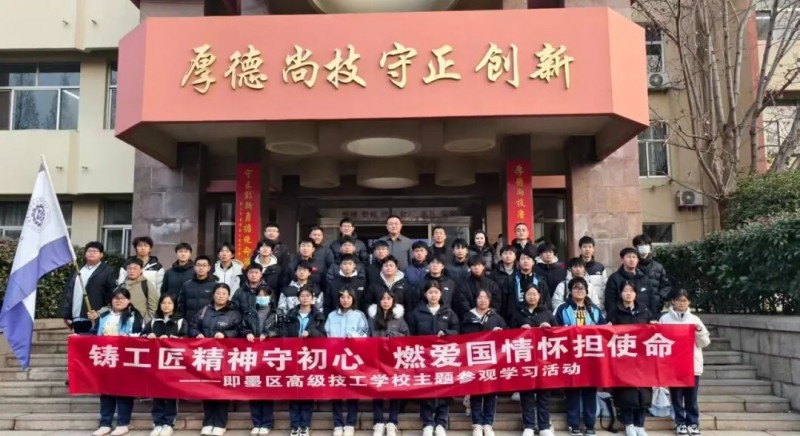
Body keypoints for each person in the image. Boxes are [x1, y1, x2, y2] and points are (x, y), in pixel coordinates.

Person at [554, 277, 606, 436]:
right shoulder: (562, 309)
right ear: (570, 291)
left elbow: (603, 330)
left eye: (582, 288)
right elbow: (555, 330)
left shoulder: (595, 309)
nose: (579, 291)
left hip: (591, 356)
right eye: (575, 288)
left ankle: (590, 424)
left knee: (590, 390)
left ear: (587, 291)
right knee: (572, 390)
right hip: (570, 355)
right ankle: (574, 424)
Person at [190, 283, 242, 436]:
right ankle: (208, 422)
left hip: (225, 357)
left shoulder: (234, 313)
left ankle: (220, 423)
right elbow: (193, 325)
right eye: (218, 293)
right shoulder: (204, 311)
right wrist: (196, 334)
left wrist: (226, 335)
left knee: (221, 389)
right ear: (213, 294)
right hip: (206, 356)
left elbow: (239, 330)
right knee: (207, 388)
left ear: (228, 296)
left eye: (224, 293)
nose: (221, 296)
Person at [89, 288, 143, 436]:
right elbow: (94, 333)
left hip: (125, 358)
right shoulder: (104, 316)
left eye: (122, 298)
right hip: (107, 358)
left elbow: (140, 334)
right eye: (115, 298)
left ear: (128, 301)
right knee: (106, 391)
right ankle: (105, 423)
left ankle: (123, 423)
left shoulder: (134, 316)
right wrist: (78, 336)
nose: (118, 301)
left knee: (124, 391)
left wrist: (127, 337)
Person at [409, 281, 460, 436]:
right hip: (424, 357)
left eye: (436, 292)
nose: (433, 295)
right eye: (430, 292)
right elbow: (410, 335)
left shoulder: (448, 312)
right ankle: (427, 423)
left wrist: (446, 333)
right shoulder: (417, 313)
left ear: (441, 294)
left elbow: (457, 331)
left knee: (444, 389)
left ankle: (441, 422)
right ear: (425, 294)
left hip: (443, 358)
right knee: (425, 389)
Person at [607, 281, 656, 436]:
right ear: (620, 293)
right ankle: (628, 424)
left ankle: (640, 424)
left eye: (631, 291)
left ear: (636, 294)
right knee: (626, 392)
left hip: (643, 359)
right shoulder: (614, 312)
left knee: (643, 391)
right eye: (625, 291)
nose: (628, 294)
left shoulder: (644, 311)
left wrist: (653, 325)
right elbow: (608, 334)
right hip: (623, 358)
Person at [660, 289, 710, 436]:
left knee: (691, 397)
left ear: (689, 302)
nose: (681, 303)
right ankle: (680, 423)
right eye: (678, 300)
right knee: (676, 397)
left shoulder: (695, 320)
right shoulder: (665, 319)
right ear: (673, 301)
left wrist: (699, 332)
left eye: (684, 300)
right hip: (673, 366)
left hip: (692, 365)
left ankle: (693, 423)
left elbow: (705, 343)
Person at [510, 285, 556, 436]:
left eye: (534, 294)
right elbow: (509, 335)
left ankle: (544, 426)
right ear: (524, 296)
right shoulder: (518, 313)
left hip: (543, 359)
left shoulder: (547, 313)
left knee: (544, 394)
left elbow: (558, 334)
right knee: (527, 394)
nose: (532, 297)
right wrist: (519, 330)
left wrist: (549, 328)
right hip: (525, 359)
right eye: (529, 294)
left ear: (539, 296)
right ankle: (529, 425)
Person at [281, 287, 326, 436]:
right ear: (298, 298)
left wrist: (311, 332)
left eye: (308, 295)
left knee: (307, 392)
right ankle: (295, 425)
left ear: (312, 298)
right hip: (293, 357)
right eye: (302, 295)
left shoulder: (318, 316)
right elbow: (284, 334)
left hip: (310, 358)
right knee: (294, 391)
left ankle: (305, 425)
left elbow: (324, 336)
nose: (305, 298)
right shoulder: (290, 315)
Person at [325, 288, 369, 436]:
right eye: (342, 297)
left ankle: (350, 423)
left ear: (353, 299)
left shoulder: (359, 315)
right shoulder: (331, 315)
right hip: (336, 357)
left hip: (352, 358)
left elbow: (365, 332)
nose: (345, 300)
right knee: (336, 390)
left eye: (348, 297)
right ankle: (338, 424)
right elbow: (327, 333)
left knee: (352, 390)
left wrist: (354, 336)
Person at [461, 289, 506, 436]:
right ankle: (477, 424)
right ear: (475, 300)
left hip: (492, 361)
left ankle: (488, 424)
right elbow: (461, 338)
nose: (482, 300)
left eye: (486, 298)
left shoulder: (496, 317)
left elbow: (508, 337)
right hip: (473, 361)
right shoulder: (468, 317)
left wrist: (500, 333)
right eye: (480, 297)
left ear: (490, 300)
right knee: (475, 392)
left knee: (490, 393)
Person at [142, 294, 186, 436]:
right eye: (163, 303)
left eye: (169, 303)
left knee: (171, 393)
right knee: (157, 393)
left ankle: (169, 422)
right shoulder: (154, 321)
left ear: (174, 305)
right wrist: (147, 337)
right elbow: (142, 336)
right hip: (156, 364)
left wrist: (175, 339)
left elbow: (187, 339)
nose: (166, 306)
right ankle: (157, 422)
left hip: (173, 364)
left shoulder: (180, 321)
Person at [368, 290, 409, 436]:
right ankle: (378, 421)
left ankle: (392, 421)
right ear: (379, 301)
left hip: (394, 360)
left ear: (393, 301)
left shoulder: (399, 318)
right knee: (377, 388)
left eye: (389, 299)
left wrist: (393, 335)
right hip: (376, 359)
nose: (386, 301)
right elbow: (367, 336)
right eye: (383, 298)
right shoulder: (372, 318)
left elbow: (406, 336)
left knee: (394, 389)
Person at [243, 286, 280, 435]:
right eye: (259, 295)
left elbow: (281, 329)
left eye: (265, 295)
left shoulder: (276, 313)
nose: (262, 297)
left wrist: (269, 333)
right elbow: (242, 327)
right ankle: (256, 422)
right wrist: (247, 332)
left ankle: (266, 423)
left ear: (270, 297)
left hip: (269, 355)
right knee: (253, 387)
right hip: (252, 354)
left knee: (266, 389)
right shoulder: (249, 313)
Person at [61, 241, 118, 334]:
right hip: (76, 317)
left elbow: (112, 293)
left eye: (95, 251)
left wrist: (101, 312)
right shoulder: (78, 269)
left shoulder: (108, 271)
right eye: (89, 251)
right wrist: (66, 315)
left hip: (96, 316)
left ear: (101, 254)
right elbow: (69, 292)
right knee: (79, 342)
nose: (91, 253)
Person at [605, 248, 655, 317]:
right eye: (628, 257)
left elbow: (652, 299)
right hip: (622, 318)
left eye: (634, 257)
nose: (631, 260)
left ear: (637, 260)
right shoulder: (614, 278)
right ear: (622, 260)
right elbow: (610, 302)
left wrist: (652, 317)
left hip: (643, 318)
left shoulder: (644, 278)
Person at [503, 249, 549, 323]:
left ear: (533, 262)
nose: (526, 261)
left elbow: (547, 301)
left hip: (538, 318)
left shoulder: (540, 280)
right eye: (523, 259)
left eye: (528, 259)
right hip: (516, 319)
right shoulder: (511, 280)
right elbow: (505, 303)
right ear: (518, 262)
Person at [365, 256, 416, 321]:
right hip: (378, 320)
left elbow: (409, 307)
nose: (388, 268)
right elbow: (367, 304)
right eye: (386, 266)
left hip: (399, 321)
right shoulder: (374, 285)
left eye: (391, 266)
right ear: (382, 268)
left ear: (396, 268)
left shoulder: (405, 285)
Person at [633, 234, 671, 316]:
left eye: (646, 244)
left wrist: (658, 298)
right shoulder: (631, 267)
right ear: (636, 247)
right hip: (636, 308)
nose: (643, 247)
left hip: (655, 308)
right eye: (640, 245)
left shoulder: (658, 267)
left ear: (650, 246)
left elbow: (666, 286)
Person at [456, 255, 502, 319]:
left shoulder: (492, 284)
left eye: (479, 265)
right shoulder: (464, 285)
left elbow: (496, 304)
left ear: (483, 267)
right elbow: (463, 304)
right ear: (470, 267)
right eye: (474, 265)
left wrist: (486, 316)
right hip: (470, 319)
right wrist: (475, 316)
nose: (476, 268)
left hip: (490, 319)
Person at [176, 255, 218, 324]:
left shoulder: (215, 285)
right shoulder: (186, 285)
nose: (201, 268)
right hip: (189, 322)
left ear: (209, 268)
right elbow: (181, 306)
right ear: (194, 267)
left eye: (204, 265)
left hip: (208, 323)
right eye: (198, 265)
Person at [115, 258, 158, 323]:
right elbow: (112, 304)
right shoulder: (121, 286)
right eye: (129, 268)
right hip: (121, 321)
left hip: (140, 323)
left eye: (135, 268)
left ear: (141, 270)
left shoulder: (146, 285)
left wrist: (146, 322)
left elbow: (153, 308)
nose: (132, 271)